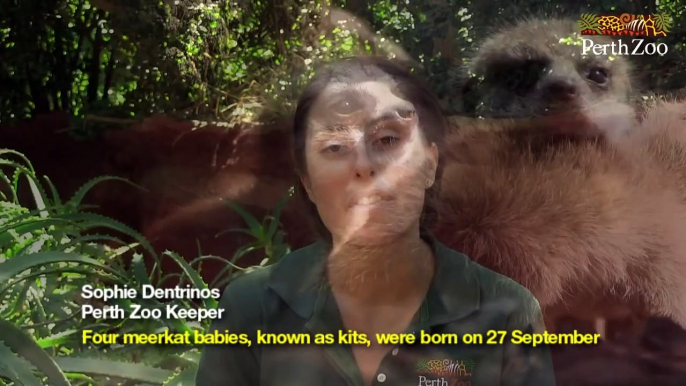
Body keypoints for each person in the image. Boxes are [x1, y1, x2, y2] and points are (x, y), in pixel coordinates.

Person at [195, 56, 556, 386]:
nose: (363, 165)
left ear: (429, 164)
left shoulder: (507, 311)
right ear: (307, 181)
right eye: (334, 147)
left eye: (387, 139)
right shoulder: (251, 307)